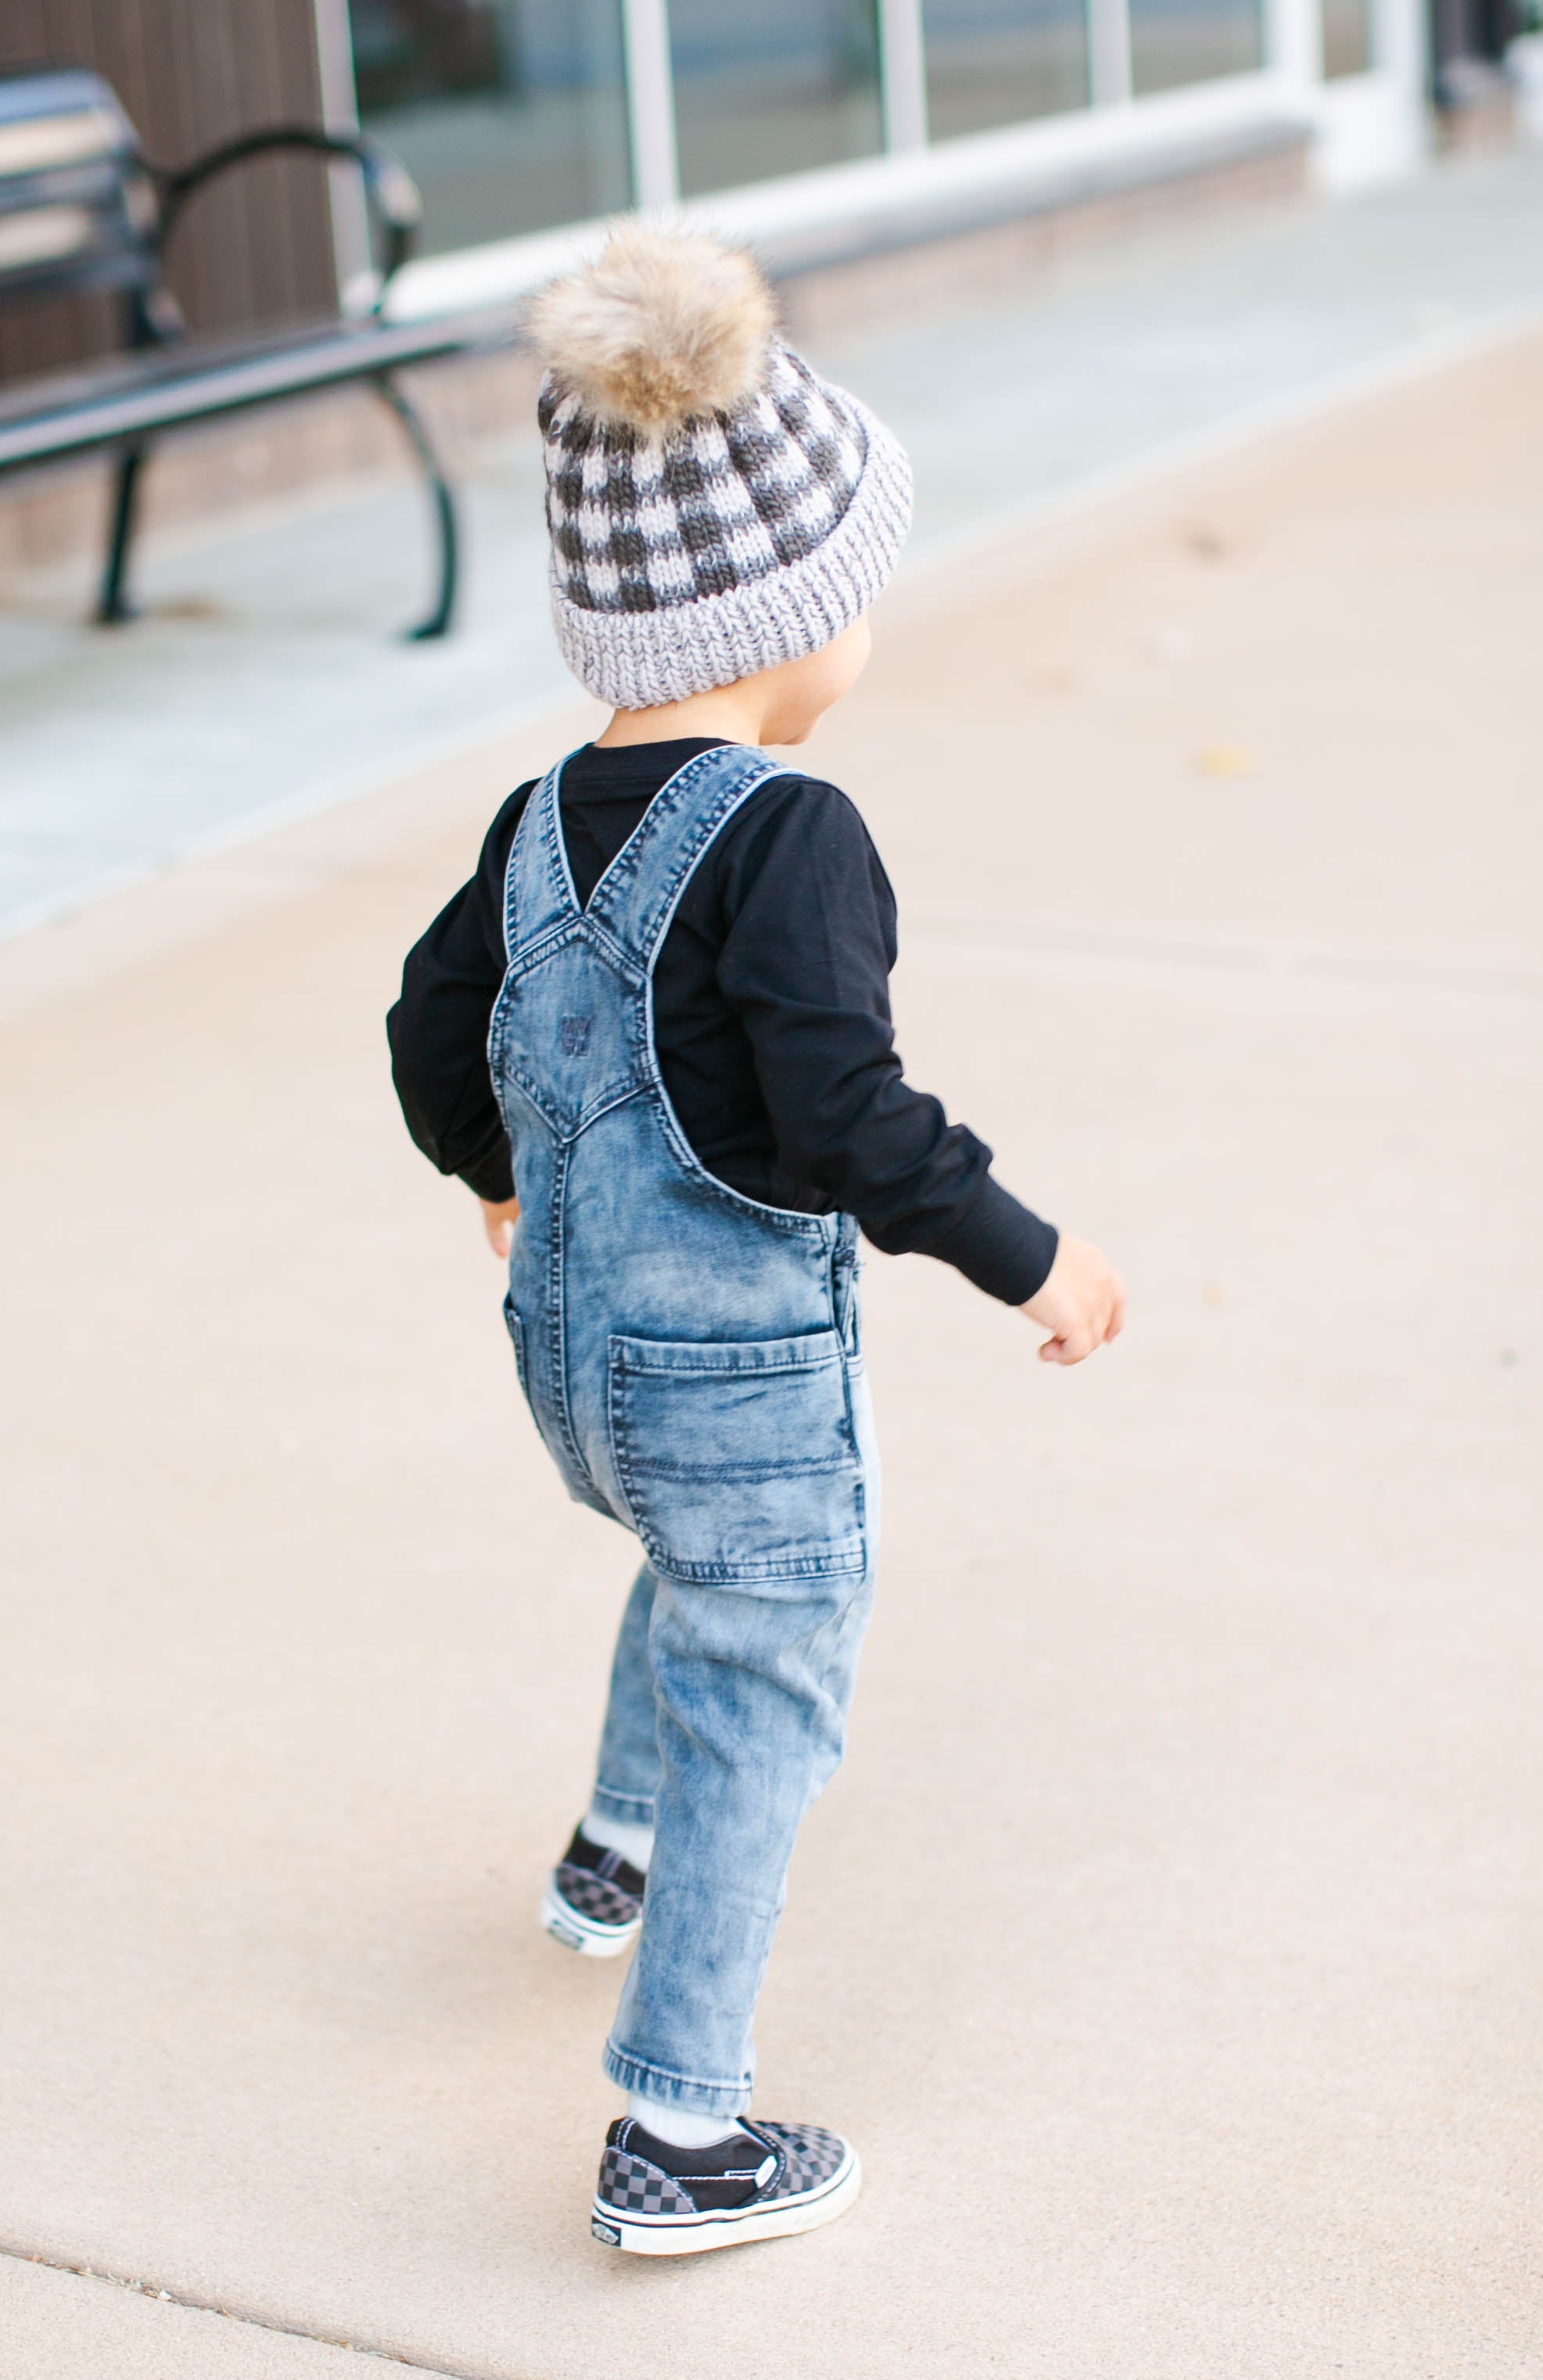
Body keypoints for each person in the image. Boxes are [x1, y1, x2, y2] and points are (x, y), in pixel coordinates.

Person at [387, 225, 1125, 2257]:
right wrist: (1027, 1250)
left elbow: (425, 1021)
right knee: (770, 1672)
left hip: (576, 1371)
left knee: (686, 1569)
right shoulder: (795, 837)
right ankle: (676, 2129)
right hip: (729, 1383)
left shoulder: (536, 819)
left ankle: (609, 1842)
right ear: (787, 617)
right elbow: (848, 1116)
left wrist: (492, 1170)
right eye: (854, 586)